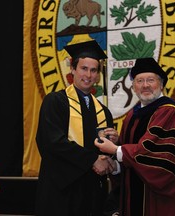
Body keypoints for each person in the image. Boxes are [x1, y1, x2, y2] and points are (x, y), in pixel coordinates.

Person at [94, 57, 175, 216]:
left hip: (160, 203)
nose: (145, 85)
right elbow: (131, 164)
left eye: (150, 80)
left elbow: (158, 160)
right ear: (133, 87)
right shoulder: (131, 117)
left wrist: (117, 149)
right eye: (139, 81)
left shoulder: (169, 113)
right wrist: (115, 166)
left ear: (161, 84)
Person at [35, 40, 118, 216]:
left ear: (97, 75)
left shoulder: (104, 112)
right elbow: (52, 143)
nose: (88, 75)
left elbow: (102, 152)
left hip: (93, 194)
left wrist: (112, 149)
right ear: (72, 69)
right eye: (83, 68)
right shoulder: (55, 102)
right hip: (62, 192)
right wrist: (92, 160)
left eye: (93, 70)